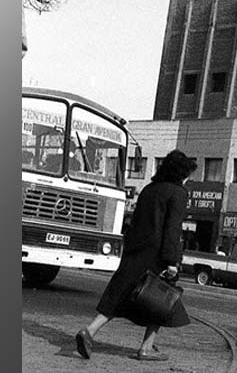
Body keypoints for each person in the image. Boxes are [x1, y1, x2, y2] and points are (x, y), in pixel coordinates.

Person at [74, 150, 197, 362]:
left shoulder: (149, 189)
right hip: (158, 255)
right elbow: (172, 229)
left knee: (119, 294)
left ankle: (89, 331)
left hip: (135, 251)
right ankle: (146, 347)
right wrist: (171, 261)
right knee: (161, 300)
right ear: (181, 173)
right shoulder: (178, 193)